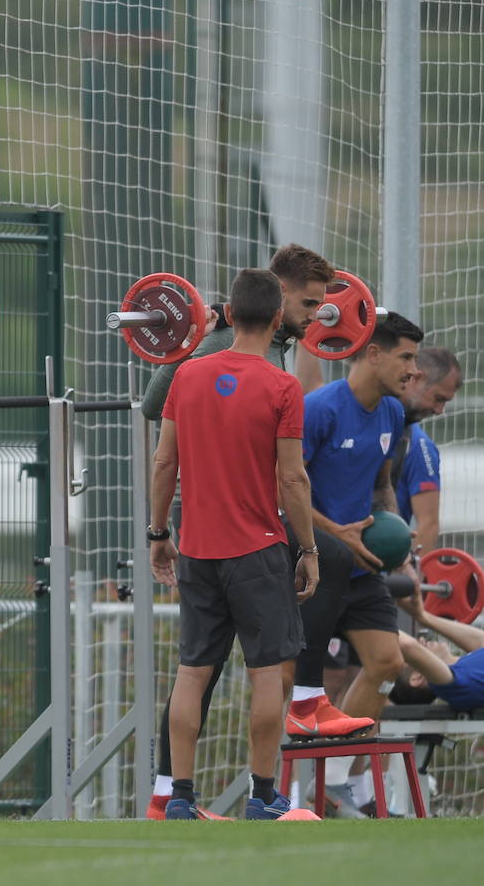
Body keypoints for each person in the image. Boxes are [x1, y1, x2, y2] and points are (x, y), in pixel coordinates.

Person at [138, 245, 365, 819]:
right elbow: (292, 478)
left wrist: (159, 531)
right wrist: (310, 550)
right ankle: (264, 797)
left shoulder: (188, 375)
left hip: (198, 548)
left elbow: (165, 465)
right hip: (258, 550)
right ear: (276, 314)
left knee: (192, 675)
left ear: (228, 314)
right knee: (267, 675)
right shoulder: (282, 386)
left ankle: (179, 799)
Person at [293, 311, 423, 814]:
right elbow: (285, 491)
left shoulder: (392, 413)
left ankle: (334, 778)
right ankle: (275, 793)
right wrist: (335, 533)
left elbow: (382, 483)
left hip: (366, 567)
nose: (413, 370)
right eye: (405, 357)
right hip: (316, 567)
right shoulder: (320, 409)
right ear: (373, 353)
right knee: (285, 683)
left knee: (388, 664)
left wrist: (392, 528)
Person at [393, 347, 462, 553]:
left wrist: (411, 577)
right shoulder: (366, 416)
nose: (439, 411)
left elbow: (429, 524)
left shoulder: (420, 446)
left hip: (378, 568)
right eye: (438, 398)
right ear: (416, 378)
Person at [394, 582, 484, 713]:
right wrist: (362, 613)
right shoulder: (456, 690)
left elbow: (479, 640)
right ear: (417, 677)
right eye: (410, 658)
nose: (421, 640)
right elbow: (407, 645)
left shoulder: (469, 667)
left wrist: (423, 617)